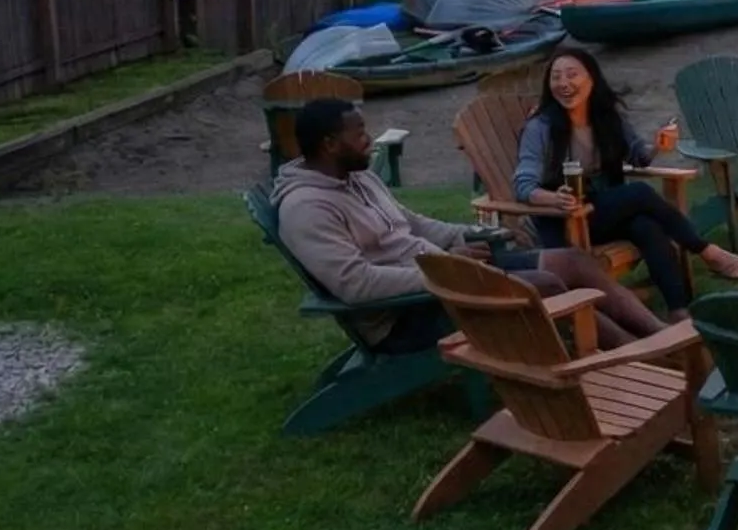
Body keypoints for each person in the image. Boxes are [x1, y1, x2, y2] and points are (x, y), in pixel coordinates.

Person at [273, 97, 667, 350]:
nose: (369, 140)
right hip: (408, 314)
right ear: (329, 144)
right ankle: (641, 356)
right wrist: (448, 270)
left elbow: (413, 224)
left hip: (444, 276)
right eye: (359, 134)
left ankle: (659, 336)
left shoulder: (358, 178)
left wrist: (473, 234)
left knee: (574, 261)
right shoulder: (306, 209)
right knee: (545, 286)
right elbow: (356, 284)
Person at [514, 47, 738, 314]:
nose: (563, 83)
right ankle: (706, 251)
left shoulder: (606, 118)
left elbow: (638, 157)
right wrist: (553, 198)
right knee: (639, 192)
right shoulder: (541, 127)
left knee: (646, 227)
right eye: (556, 77)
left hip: (600, 212)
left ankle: (680, 312)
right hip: (566, 220)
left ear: (592, 79)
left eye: (572, 75)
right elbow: (523, 186)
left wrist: (658, 146)